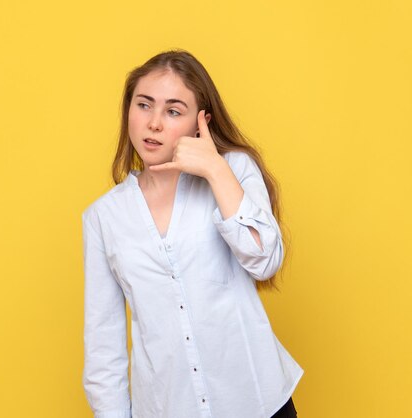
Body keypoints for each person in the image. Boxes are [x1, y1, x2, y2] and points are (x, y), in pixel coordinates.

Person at [81, 50, 304, 418]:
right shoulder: (104, 217)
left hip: (256, 402)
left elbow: (265, 260)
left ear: (200, 122)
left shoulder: (232, 171)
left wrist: (215, 170)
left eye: (173, 111)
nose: (153, 123)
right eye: (144, 105)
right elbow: (103, 347)